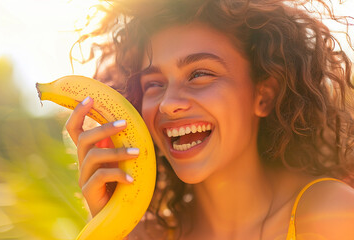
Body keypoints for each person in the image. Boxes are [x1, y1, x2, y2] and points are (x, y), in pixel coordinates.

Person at [66, 0, 354, 239]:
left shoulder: (333, 215)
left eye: (200, 74)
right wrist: (110, 226)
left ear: (263, 95)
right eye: (154, 84)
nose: (168, 104)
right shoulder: (142, 236)